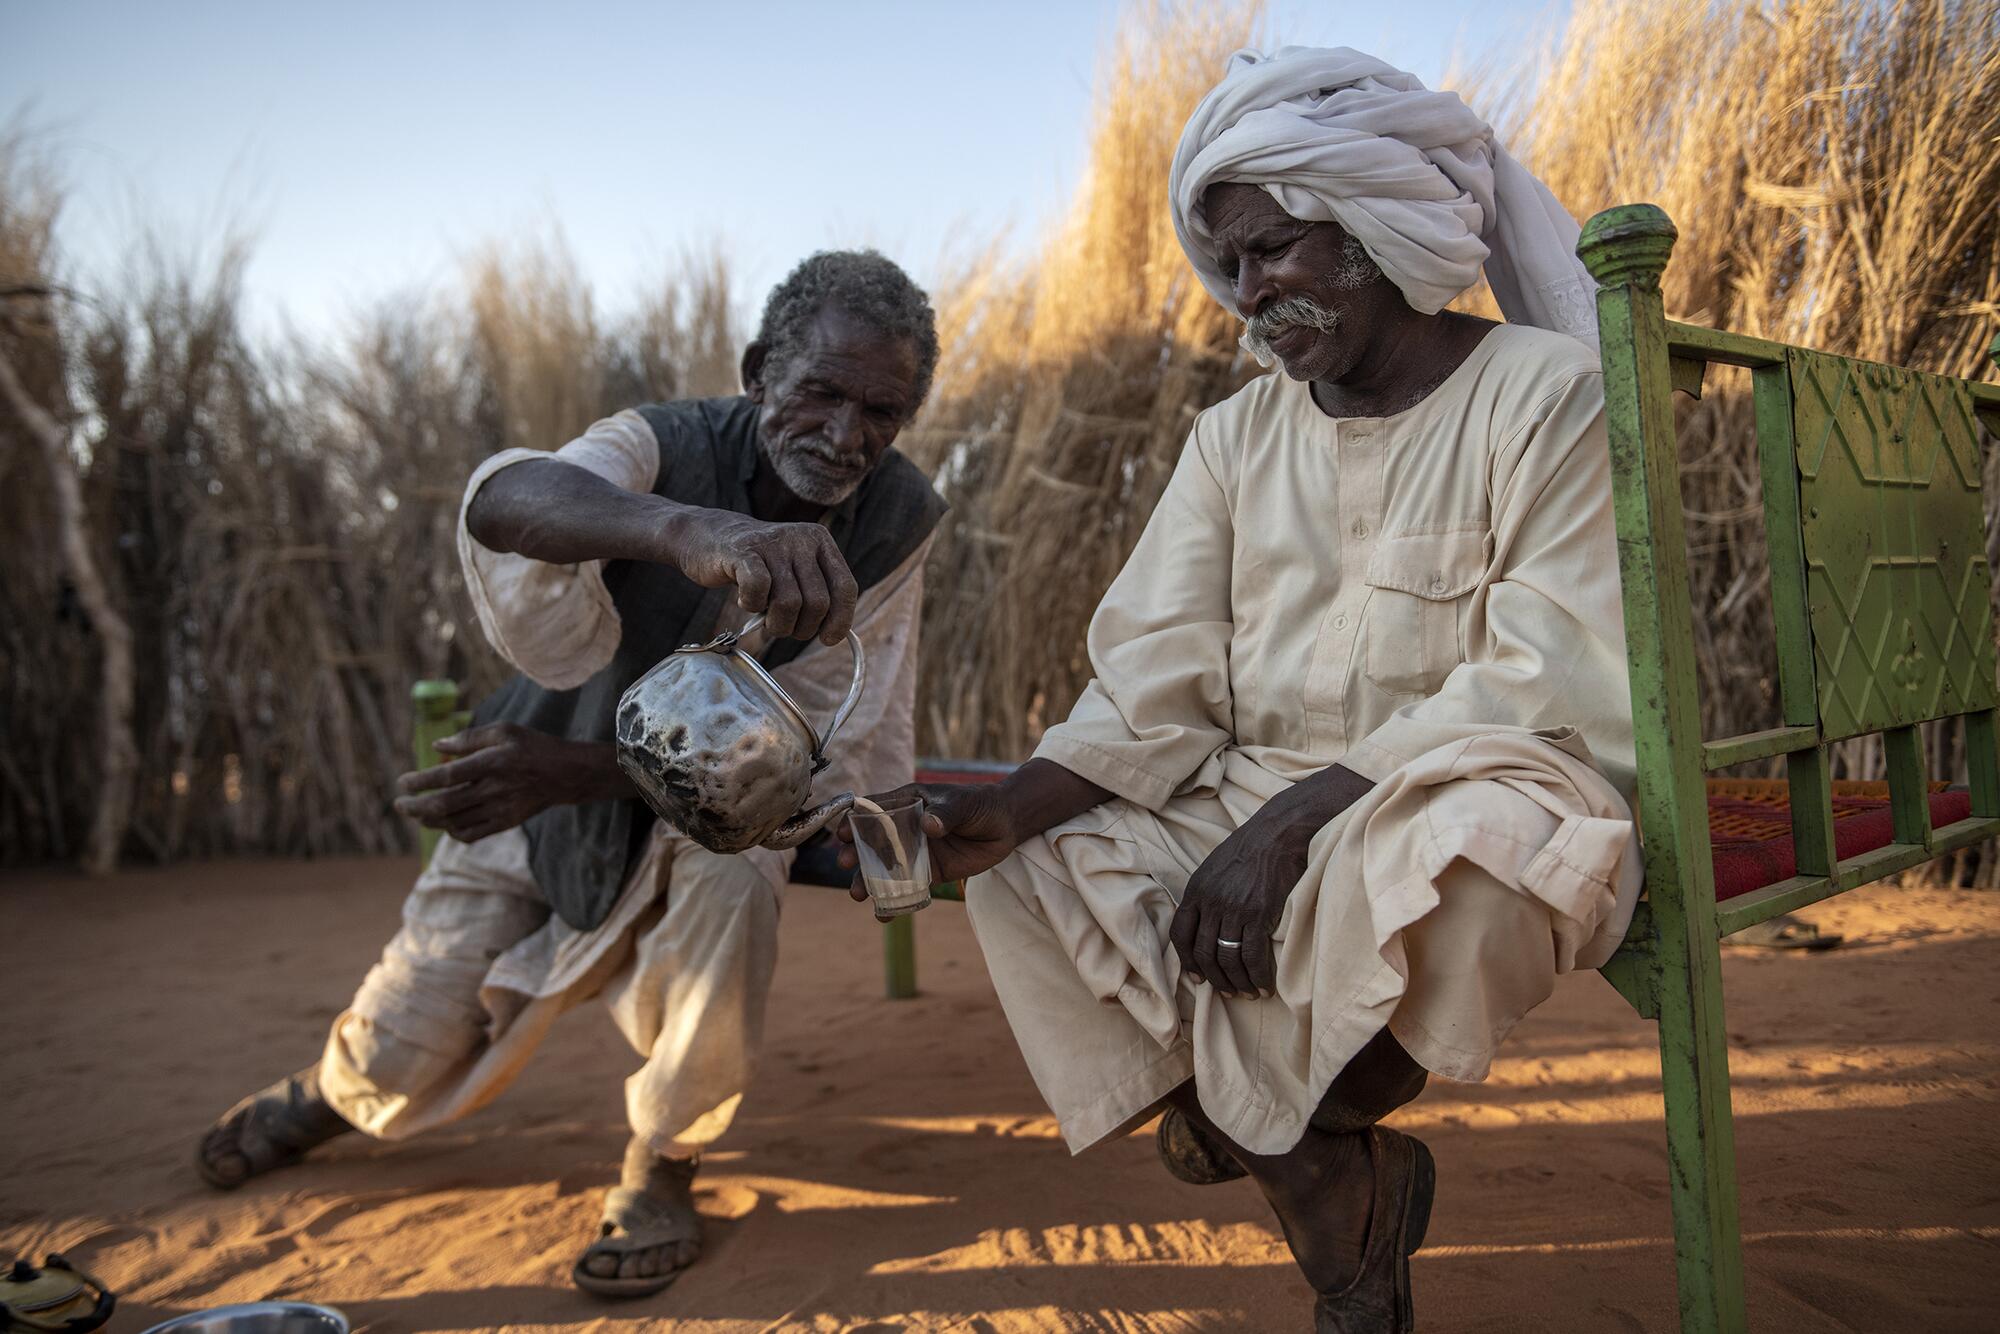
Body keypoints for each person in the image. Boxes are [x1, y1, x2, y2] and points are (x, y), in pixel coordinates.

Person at [843, 48, 1640, 1331]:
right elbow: (1155, 673)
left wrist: (1296, 822)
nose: (1247, 288)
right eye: (1231, 262)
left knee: (1490, 872)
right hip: (1248, 783)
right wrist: (1020, 802)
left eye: (1274, 249)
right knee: (1033, 865)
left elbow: (1544, 670)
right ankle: (1325, 1177)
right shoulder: (1233, 437)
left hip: (1469, 775)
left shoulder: (1542, 395)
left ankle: (1269, 1121)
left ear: (1375, 232)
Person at [196, 250, 948, 1299]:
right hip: (526, 785)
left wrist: (579, 774)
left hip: (690, 807)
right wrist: (692, 529)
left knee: (737, 887)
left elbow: (838, 724)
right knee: (398, 1039)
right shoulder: (662, 441)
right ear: (756, 373)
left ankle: (666, 1159)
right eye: (818, 390)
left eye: (882, 408)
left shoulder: (895, 517)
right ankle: (334, 1092)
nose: (844, 432)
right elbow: (507, 499)